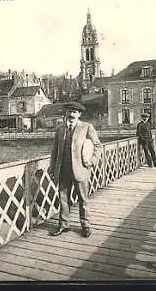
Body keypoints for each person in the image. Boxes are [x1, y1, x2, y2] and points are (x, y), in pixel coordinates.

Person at [48, 101, 102, 238]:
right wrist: (52, 167)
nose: (71, 114)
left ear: (79, 114)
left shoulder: (86, 127)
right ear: (66, 113)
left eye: (75, 112)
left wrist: (92, 161)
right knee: (63, 199)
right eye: (69, 111)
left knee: (83, 199)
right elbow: (54, 151)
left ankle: (85, 225)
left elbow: (97, 146)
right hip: (63, 169)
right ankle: (64, 225)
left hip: (80, 170)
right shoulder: (60, 129)